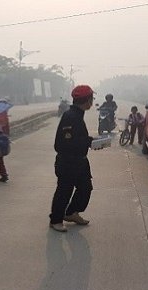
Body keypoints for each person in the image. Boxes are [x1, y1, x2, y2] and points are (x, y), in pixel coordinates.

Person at [49, 85, 95, 232]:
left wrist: (89, 141)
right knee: (64, 190)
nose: (92, 101)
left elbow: (77, 138)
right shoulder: (71, 116)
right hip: (68, 161)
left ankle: (71, 213)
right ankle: (55, 220)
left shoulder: (78, 114)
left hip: (80, 160)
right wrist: (87, 141)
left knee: (85, 187)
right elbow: (63, 144)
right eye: (91, 98)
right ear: (87, 100)